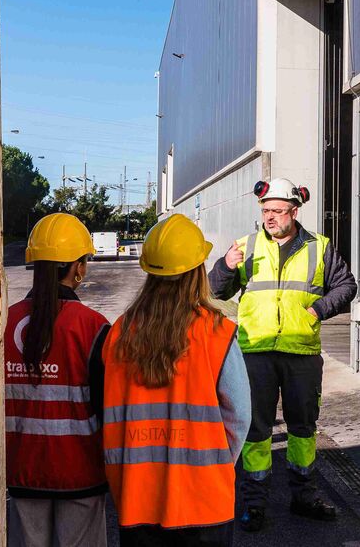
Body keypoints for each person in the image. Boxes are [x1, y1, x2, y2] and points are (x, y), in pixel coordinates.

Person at [208, 177, 357, 532]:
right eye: (265, 210)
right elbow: (216, 289)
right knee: (256, 430)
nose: (269, 217)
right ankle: (254, 503)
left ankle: (303, 496)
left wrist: (319, 309)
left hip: (301, 353)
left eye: (276, 211)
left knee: (303, 429)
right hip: (256, 352)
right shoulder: (246, 246)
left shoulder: (319, 247)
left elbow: (347, 285)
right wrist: (226, 265)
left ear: (295, 211)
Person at [95, 213, 251, 547]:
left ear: (149, 271)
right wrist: (217, 464)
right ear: (197, 271)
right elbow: (239, 416)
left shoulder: (120, 332)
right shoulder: (217, 332)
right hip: (205, 501)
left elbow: (107, 411)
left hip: (137, 498)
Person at [4, 213, 109, 547]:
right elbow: (109, 406)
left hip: (20, 471)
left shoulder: (4, 322)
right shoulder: (93, 326)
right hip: (80, 472)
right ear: (78, 268)